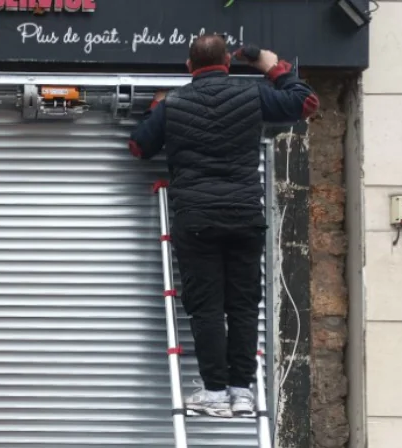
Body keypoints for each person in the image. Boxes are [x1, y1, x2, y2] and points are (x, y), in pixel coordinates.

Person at [129, 35, 319, 418]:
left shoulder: (174, 104)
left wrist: (155, 107)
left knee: (207, 308)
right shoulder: (252, 97)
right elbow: (307, 103)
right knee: (244, 304)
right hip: (244, 217)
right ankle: (242, 391)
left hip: (196, 219)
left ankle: (215, 393)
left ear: (189, 67)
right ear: (228, 65)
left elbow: (138, 147)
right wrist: (270, 65)